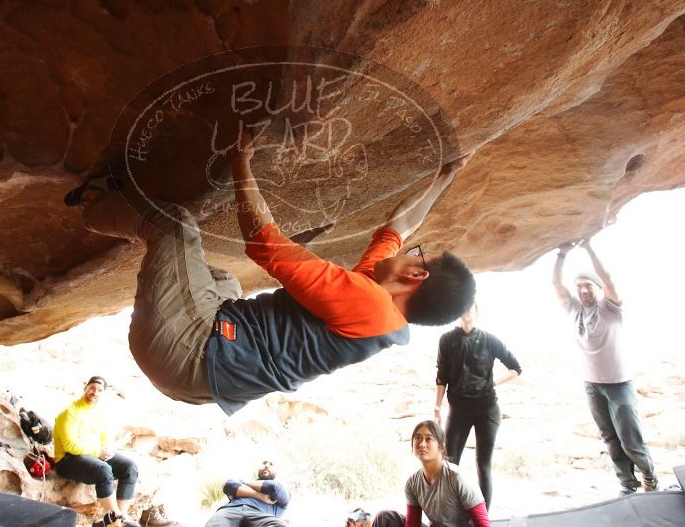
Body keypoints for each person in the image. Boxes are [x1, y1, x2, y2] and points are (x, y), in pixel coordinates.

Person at [66, 130, 476, 415]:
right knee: (227, 282)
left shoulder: (366, 303)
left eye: (418, 255)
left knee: (174, 226)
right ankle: (163, 272)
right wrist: (446, 177)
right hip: (199, 373)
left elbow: (263, 242)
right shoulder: (378, 299)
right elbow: (399, 226)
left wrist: (240, 162)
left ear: (416, 276)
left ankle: (94, 203)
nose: (408, 250)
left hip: (187, 352)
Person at [552, 238, 658, 495]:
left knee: (630, 440)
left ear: (597, 288)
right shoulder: (574, 309)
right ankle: (627, 484)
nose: (583, 290)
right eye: (579, 287)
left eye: (587, 285)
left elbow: (607, 278)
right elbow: (556, 283)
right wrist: (562, 254)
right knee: (610, 439)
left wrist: (588, 247)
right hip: (592, 385)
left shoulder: (610, 308)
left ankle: (649, 476)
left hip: (619, 384)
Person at [434, 302, 522, 509]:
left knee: (483, 465)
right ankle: (448, 514)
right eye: (462, 306)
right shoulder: (446, 340)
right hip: (458, 410)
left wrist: (493, 383)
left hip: (487, 409)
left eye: (470, 307)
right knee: (449, 464)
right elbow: (441, 375)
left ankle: (483, 517)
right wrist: (437, 408)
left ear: (477, 312)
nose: (466, 310)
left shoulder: (490, 340)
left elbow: (516, 368)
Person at [53, 376, 140, 527]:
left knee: (129, 467)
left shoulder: (98, 413)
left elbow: (105, 437)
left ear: (104, 393)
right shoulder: (70, 412)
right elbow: (70, 445)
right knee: (103, 469)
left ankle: (119, 517)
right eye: (92, 388)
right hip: (67, 460)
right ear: (85, 388)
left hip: (91, 455)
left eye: (100, 390)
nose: (95, 392)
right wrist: (97, 452)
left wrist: (107, 449)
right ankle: (115, 519)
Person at [372, 420, 490, 527]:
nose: (422, 444)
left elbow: (483, 524)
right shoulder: (412, 483)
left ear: (441, 446)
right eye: (417, 438)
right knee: (385, 517)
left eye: (429, 439)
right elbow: (413, 524)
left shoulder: (457, 478)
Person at [205, 460, 290, 527]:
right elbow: (228, 485)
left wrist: (242, 484)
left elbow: (273, 487)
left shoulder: (284, 490)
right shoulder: (249, 481)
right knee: (215, 524)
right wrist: (260, 496)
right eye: (264, 463)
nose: (267, 465)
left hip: (260, 514)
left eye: (271, 464)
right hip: (231, 509)